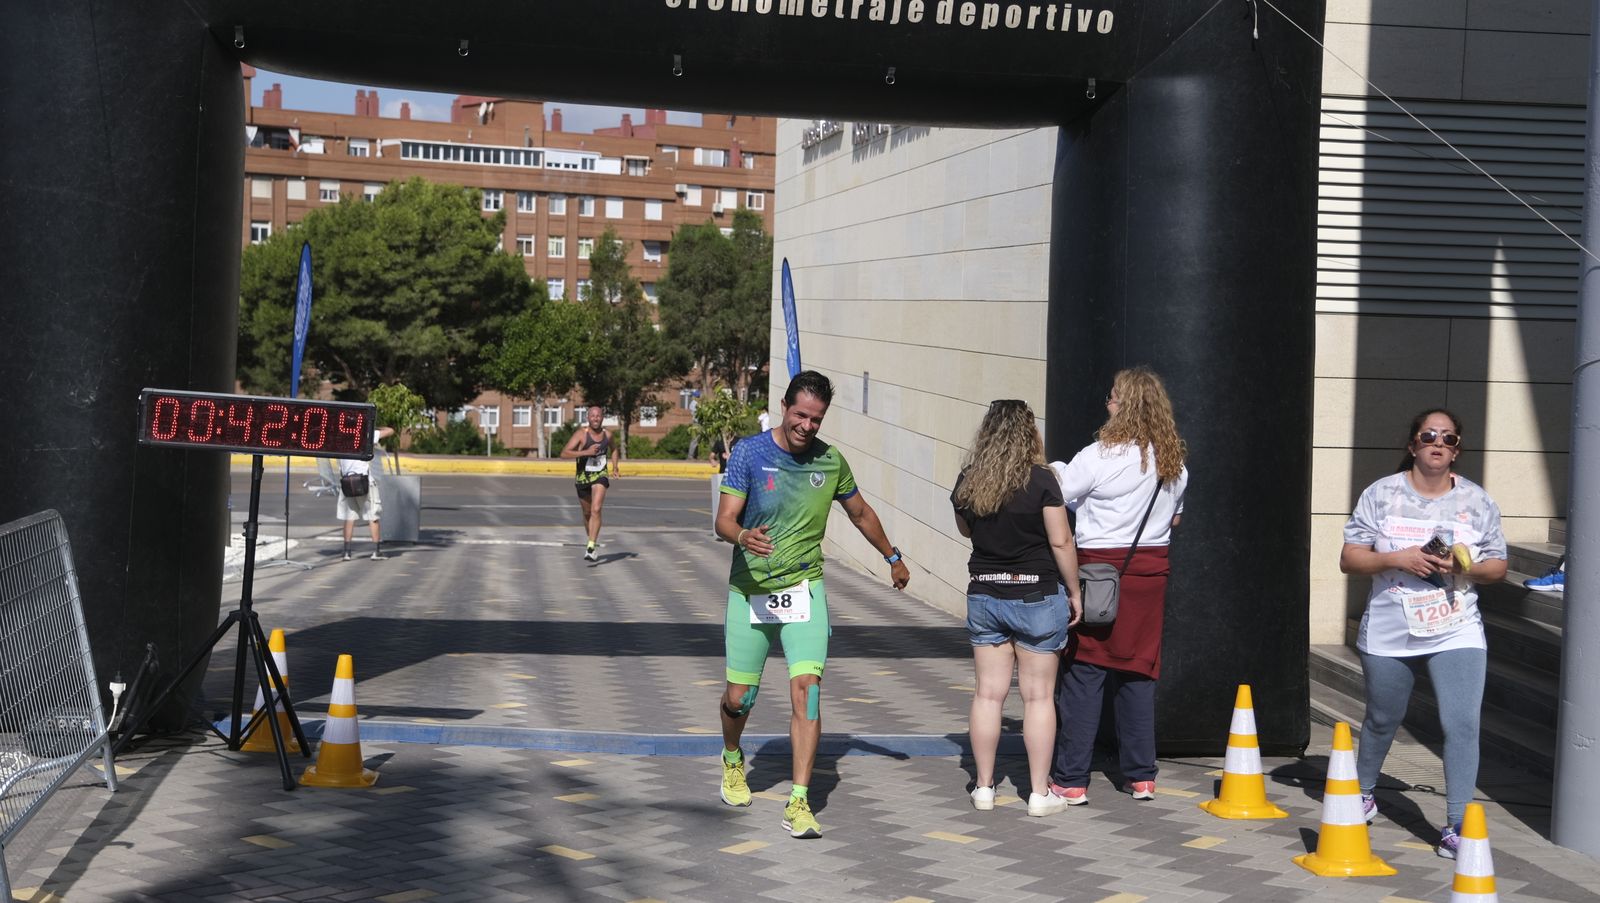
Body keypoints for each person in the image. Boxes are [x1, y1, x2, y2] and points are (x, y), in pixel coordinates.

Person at [714, 370, 910, 839]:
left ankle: (799, 802)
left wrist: (893, 557)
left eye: (816, 419)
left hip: (805, 588)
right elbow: (724, 520)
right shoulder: (749, 452)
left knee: (809, 688)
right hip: (751, 591)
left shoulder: (830, 460)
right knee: (740, 699)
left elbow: (860, 512)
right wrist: (743, 535)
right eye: (800, 414)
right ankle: (733, 757)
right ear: (784, 406)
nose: (807, 425)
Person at [1339, 408, 1506, 860]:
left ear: (1456, 451)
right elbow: (1350, 558)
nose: (1438, 443)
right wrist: (1399, 558)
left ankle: (1456, 824)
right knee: (1381, 719)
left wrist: (1460, 566)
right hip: (1392, 627)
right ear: (1413, 444)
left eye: (1449, 438)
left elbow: (1498, 565)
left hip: (1455, 626)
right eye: (1429, 435)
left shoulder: (1476, 500)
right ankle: (1365, 791)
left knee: (1462, 724)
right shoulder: (1382, 494)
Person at [1047, 366, 1189, 806]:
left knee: (1085, 672)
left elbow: (1061, 494)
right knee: (1139, 671)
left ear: (1124, 406)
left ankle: (1071, 779)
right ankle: (1141, 776)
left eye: (1111, 397)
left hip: (1098, 573)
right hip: (1150, 574)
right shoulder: (1173, 462)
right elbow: (1176, 518)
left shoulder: (1097, 455)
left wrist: (1052, 467)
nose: (1106, 404)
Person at [951, 400, 1082, 817]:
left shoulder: (970, 480)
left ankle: (985, 787)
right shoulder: (1042, 480)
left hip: (985, 595)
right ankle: (1039, 794)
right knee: (1038, 697)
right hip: (1037, 598)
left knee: (988, 695)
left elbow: (966, 529)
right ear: (1030, 434)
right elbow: (1061, 541)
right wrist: (1075, 592)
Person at [560, 405, 620, 562]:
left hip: (600, 475)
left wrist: (615, 466)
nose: (595, 418)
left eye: (598, 415)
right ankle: (591, 539)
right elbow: (564, 453)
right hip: (583, 478)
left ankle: (591, 546)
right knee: (587, 513)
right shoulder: (581, 435)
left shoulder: (608, 434)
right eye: (592, 416)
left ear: (602, 417)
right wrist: (586, 452)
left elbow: (614, 449)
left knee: (596, 509)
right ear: (588, 418)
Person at [337, 426, 396, 561]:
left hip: (347, 481)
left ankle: (347, 552)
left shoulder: (340, 439)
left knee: (349, 517)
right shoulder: (366, 435)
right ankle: (376, 551)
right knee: (373, 516)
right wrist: (374, 426)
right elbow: (390, 431)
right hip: (365, 481)